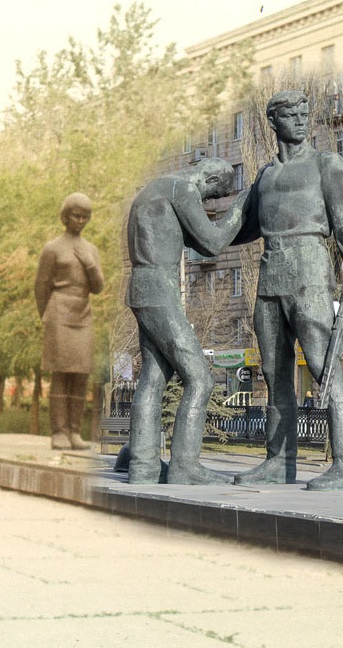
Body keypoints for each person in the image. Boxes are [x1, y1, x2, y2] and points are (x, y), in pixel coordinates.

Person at [231, 90, 343, 490]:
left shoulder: (326, 164)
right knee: (275, 372)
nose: (300, 120)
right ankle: (279, 461)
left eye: (304, 114)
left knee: (322, 366)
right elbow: (240, 228)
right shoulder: (265, 176)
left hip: (310, 269)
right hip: (270, 272)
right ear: (273, 122)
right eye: (291, 115)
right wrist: (190, 231)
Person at [126, 158, 246, 484]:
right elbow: (211, 243)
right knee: (200, 380)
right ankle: (185, 466)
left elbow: (191, 237)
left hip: (141, 290)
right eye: (211, 195)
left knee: (153, 378)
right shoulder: (183, 189)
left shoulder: (156, 188)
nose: (207, 202)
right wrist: (240, 208)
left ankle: (143, 465)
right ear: (210, 178)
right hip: (160, 295)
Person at [35, 192, 105, 450]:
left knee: (81, 374)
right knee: (61, 373)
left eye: (85, 216)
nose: (80, 220)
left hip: (83, 313)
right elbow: (41, 287)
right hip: (59, 312)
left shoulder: (90, 250)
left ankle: (75, 431)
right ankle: (59, 432)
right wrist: (48, 316)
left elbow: (98, 287)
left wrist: (90, 265)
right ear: (65, 216)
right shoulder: (52, 248)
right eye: (76, 215)